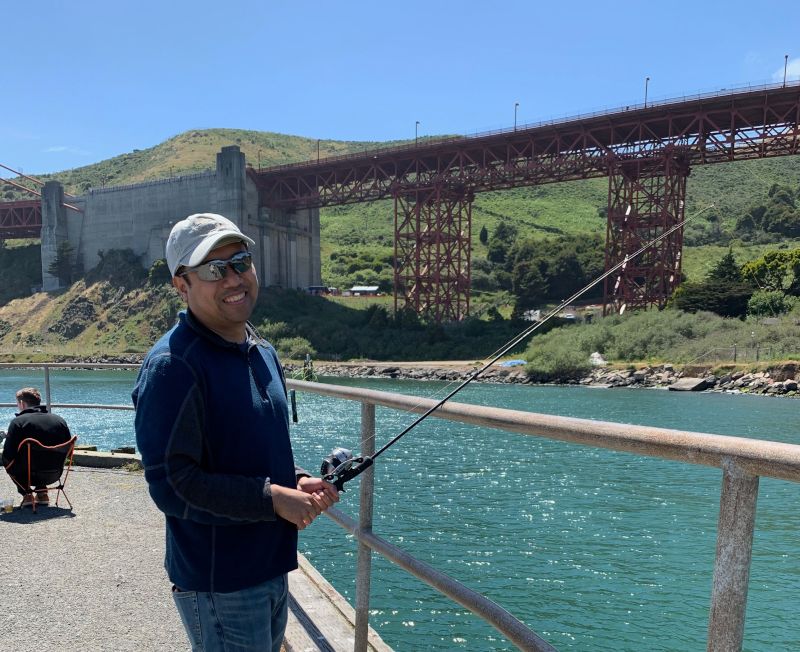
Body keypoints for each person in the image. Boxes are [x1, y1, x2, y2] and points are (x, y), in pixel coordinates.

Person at [132, 212, 339, 652]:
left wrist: (295, 480)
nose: (233, 279)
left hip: (271, 565)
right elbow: (171, 485)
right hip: (219, 583)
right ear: (181, 285)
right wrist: (273, 498)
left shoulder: (261, 350)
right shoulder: (173, 366)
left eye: (241, 261)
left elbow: (246, 450)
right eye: (213, 269)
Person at [2, 387, 72, 507]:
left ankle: (27, 494)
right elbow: (69, 450)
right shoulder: (59, 420)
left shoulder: (18, 422)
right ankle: (42, 493)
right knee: (41, 456)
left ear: (22, 403)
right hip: (54, 473)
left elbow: (8, 454)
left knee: (7, 459)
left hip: (28, 475)